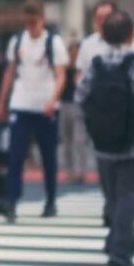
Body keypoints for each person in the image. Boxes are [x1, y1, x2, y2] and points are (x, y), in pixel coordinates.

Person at [75, 11, 134, 266]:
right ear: (131, 34)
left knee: (113, 198)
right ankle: (120, 250)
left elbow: (79, 99)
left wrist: (94, 126)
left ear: (103, 36)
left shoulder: (96, 65)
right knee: (129, 197)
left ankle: (120, 239)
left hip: (104, 147)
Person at [0, 0, 69, 223]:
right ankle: (11, 200)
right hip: (21, 103)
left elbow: (61, 75)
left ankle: (50, 200)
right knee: (15, 155)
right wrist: (2, 101)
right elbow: (9, 73)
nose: (30, 27)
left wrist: (53, 99)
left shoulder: (54, 42)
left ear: (43, 19)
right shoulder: (17, 41)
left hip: (46, 107)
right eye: (27, 22)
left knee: (48, 157)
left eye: (34, 22)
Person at [76, 0, 134, 80]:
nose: (103, 22)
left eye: (107, 17)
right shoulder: (87, 44)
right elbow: (80, 73)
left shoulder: (129, 41)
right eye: (99, 18)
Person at [60, 41, 86, 184]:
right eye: (72, 52)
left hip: (78, 105)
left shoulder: (82, 69)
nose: (74, 55)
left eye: (77, 52)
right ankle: (69, 170)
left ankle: (80, 171)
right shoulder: (63, 69)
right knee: (66, 140)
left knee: (79, 140)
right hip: (64, 104)